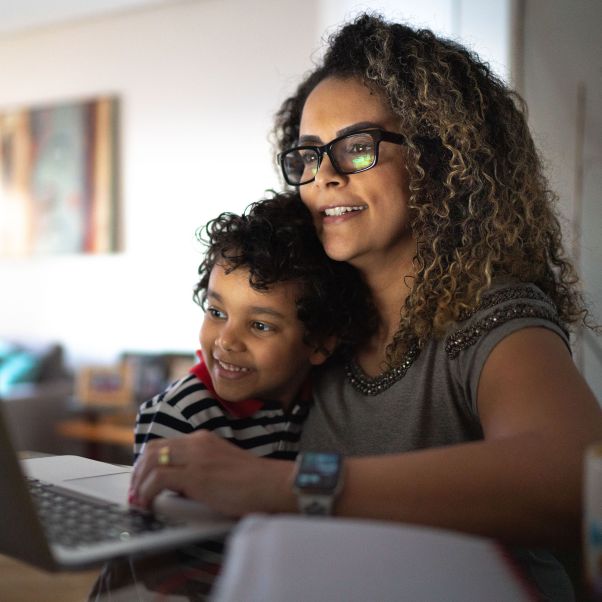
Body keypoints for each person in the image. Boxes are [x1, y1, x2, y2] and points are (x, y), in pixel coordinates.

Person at [129, 13, 602, 600]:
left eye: (357, 148)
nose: (321, 176)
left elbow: (575, 479)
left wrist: (287, 485)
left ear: (439, 161)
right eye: (307, 154)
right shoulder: (322, 323)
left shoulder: (493, 317)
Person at [132, 190, 373, 468]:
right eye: (217, 312)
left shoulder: (327, 399)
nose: (226, 341)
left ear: (321, 343)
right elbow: (157, 506)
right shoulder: (180, 415)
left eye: (260, 325)